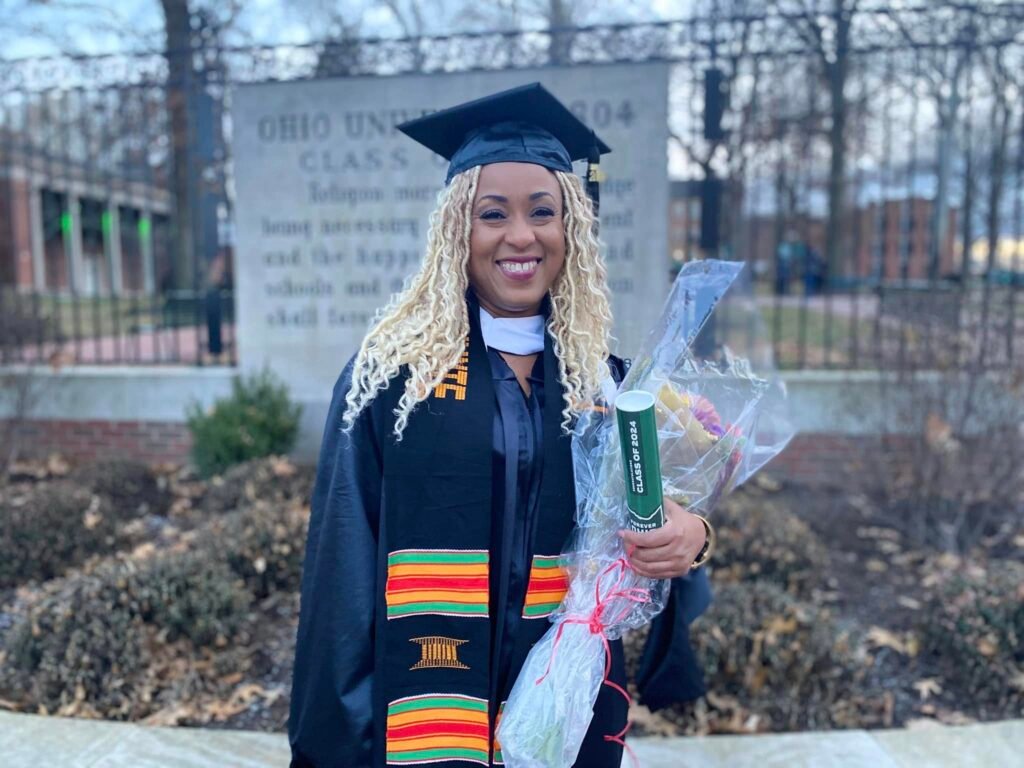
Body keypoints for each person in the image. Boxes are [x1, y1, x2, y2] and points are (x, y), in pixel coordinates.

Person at [289, 83, 713, 768]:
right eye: (493, 214)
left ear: (571, 228)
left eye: (542, 211)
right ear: (458, 229)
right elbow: (341, 575)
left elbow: (653, 529)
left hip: (561, 702)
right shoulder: (391, 382)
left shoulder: (607, 385)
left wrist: (692, 537)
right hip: (421, 707)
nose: (521, 235)